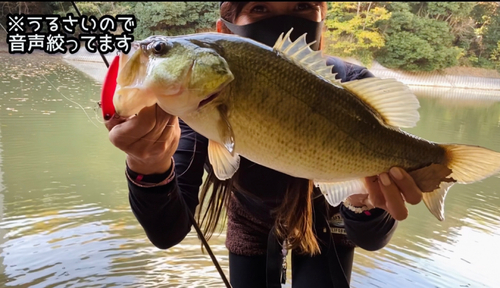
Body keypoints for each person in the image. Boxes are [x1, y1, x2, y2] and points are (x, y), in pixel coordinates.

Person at [104, 2, 423, 288]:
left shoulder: (354, 86)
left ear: (321, 22)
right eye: (259, 8)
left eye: (301, 6)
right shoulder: (195, 98)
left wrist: (363, 203)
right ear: (224, 31)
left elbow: (371, 238)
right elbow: (167, 233)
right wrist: (148, 163)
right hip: (249, 219)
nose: (283, 20)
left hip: (326, 222)